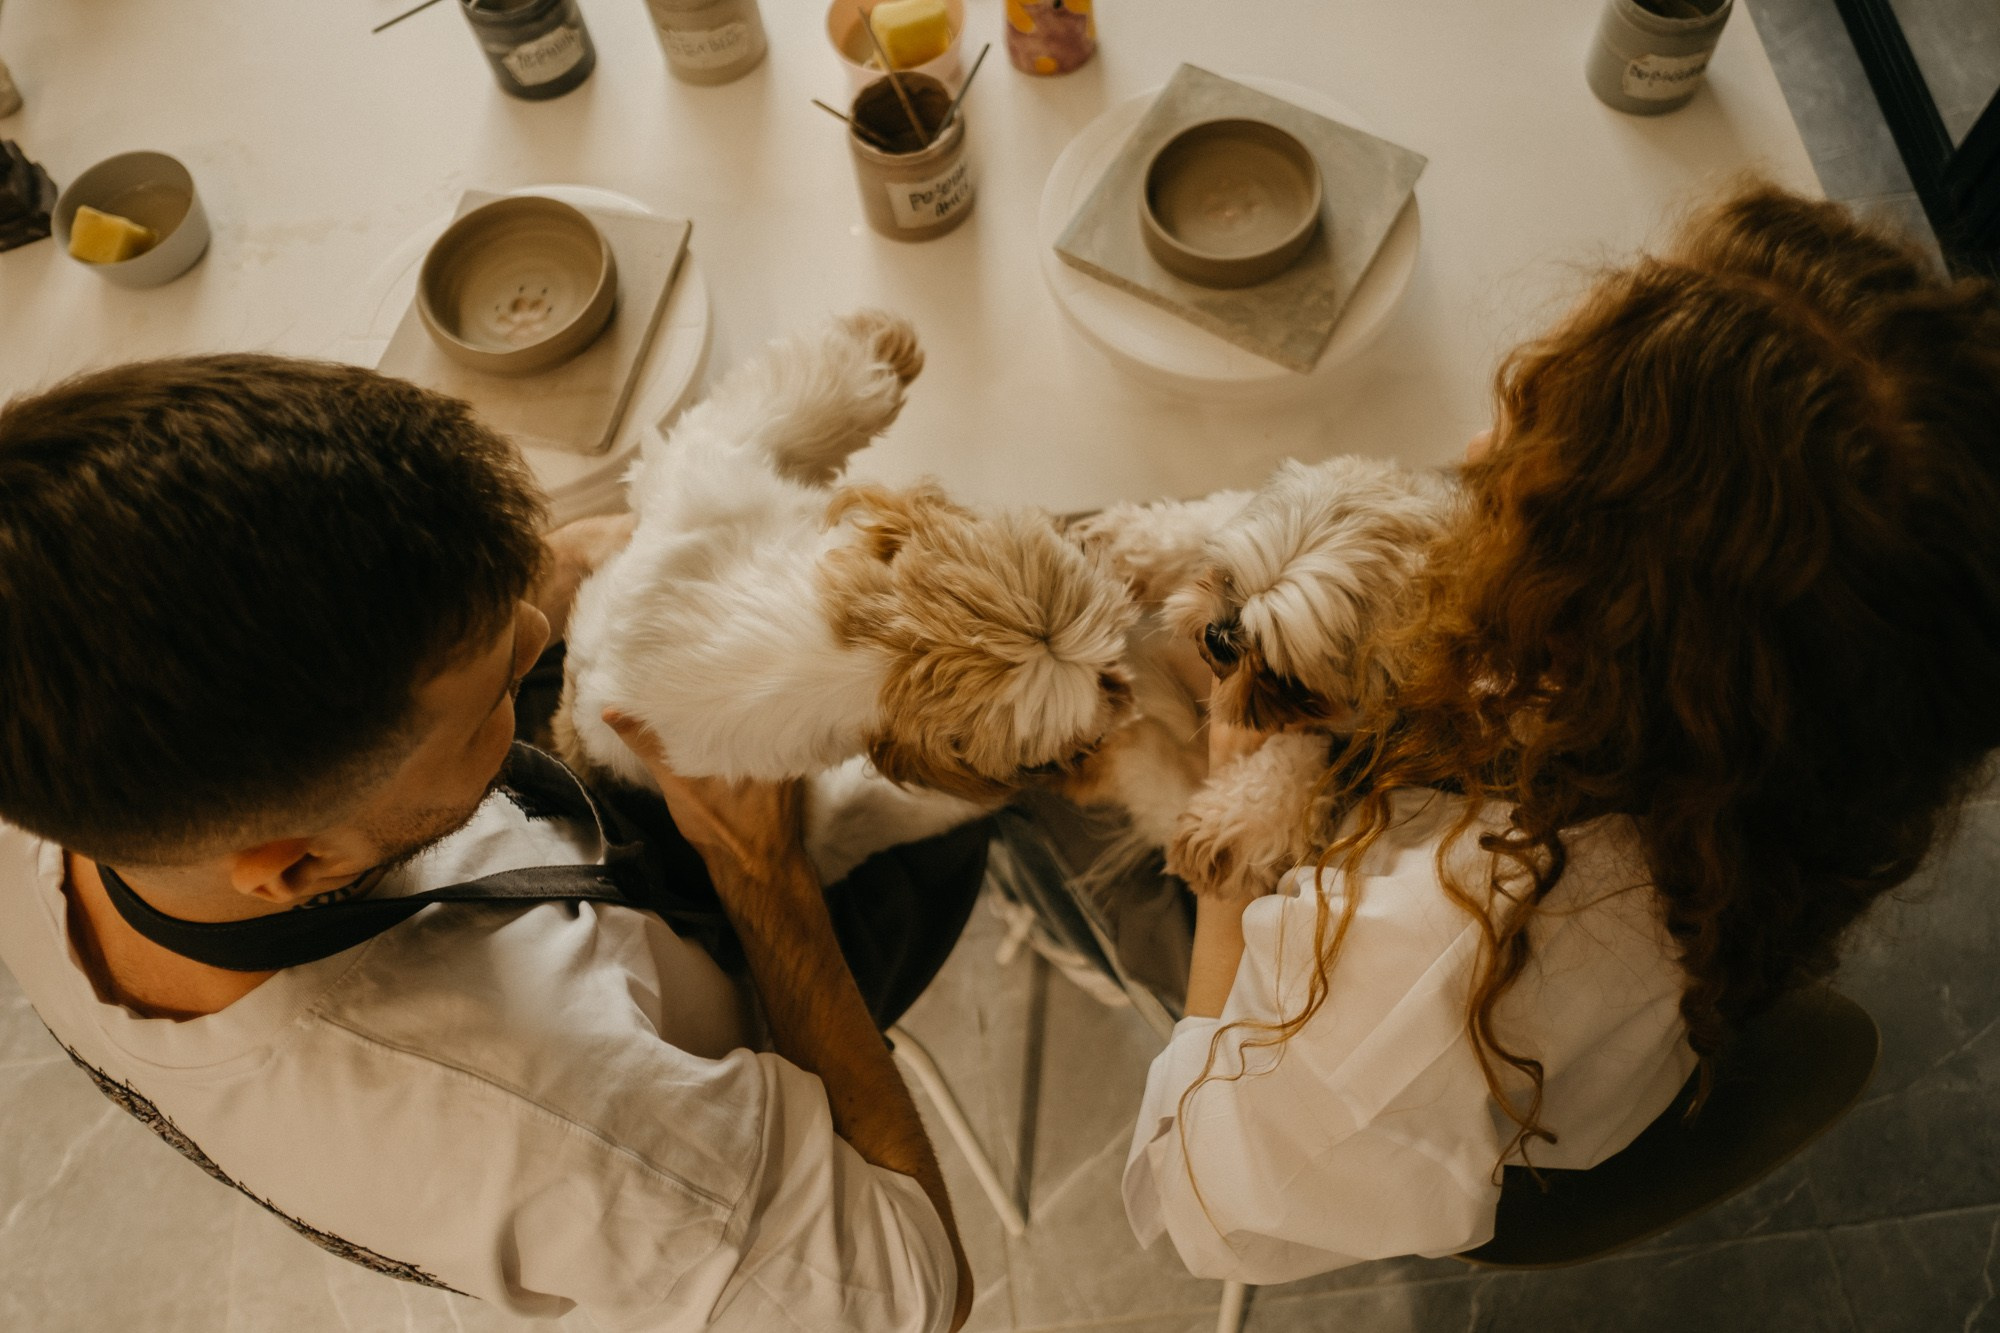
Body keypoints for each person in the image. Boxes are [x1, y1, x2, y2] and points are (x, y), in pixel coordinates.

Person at [0, 356, 991, 1331]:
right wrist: (760, 871)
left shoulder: (46, 698)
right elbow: (914, 1293)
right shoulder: (566, 1131)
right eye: (493, 699)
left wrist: (568, 561)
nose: (537, 633)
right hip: (751, 969)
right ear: (304, 865)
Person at [1124, 185, 2000, 1282]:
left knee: (1103, 832)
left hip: (1485, 1108)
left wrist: (1226, 818)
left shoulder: (1436, 945)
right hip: (1671, 982)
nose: (1476, 445)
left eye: (1530, 464)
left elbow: (1195, 1203)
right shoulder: (1829, 729)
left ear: (1607, 615)